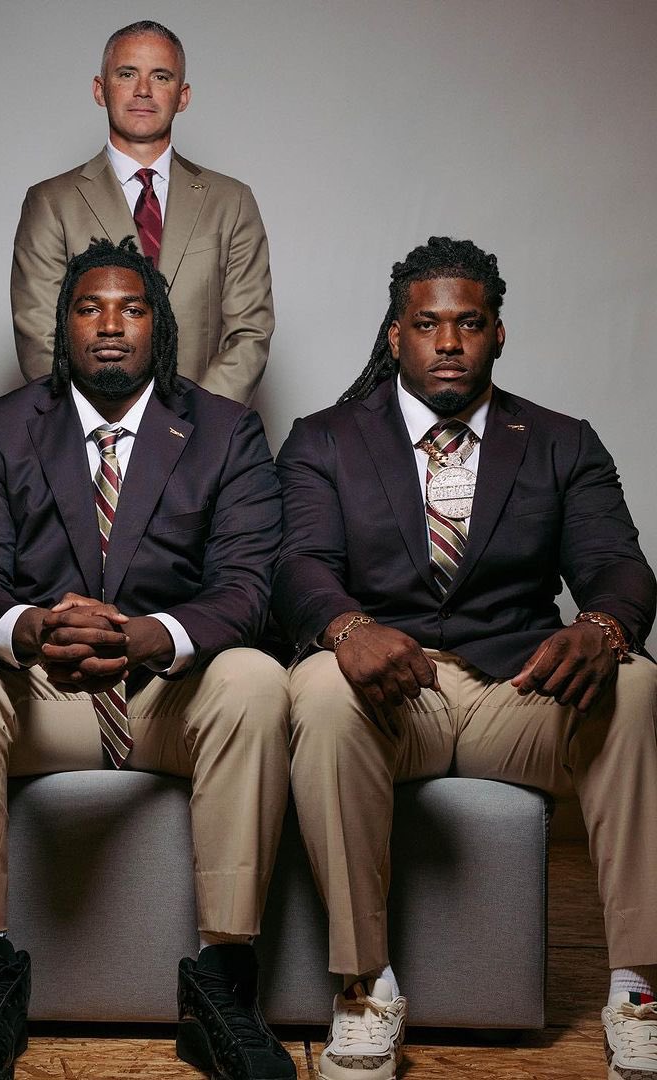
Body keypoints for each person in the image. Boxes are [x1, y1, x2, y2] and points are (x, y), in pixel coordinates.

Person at [273, 236, 657, 1080]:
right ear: (395, 335)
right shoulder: (325, 439)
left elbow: (618, 564)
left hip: (518, 692)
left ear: (498, 333)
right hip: (391, 696)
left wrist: (602, 625)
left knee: (634, 684)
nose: (448, 342)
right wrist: (347, 628)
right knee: (321, 691)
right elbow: (297, 564)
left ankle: (638, 990)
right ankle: (364, 988)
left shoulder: (559, 441)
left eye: (470, 323)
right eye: (427, 324)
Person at [0, 237, 294, 1080]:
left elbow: (248, 587)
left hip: (167, 699)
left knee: (257, 678)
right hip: (42, 697)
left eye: (131, 308)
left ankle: (224, 982)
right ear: (64, 326)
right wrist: (37, 627)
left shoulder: (227, 431)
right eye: (90, 308)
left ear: (160, 325)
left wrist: (149, 635)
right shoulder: (2, 427)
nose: (111, 325)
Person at [11, 20, 273, 406]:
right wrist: (99, 422)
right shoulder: (51, 202)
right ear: (100, 89)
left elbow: (250, 333)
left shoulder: (231, 201)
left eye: (161, 76)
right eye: (127, 74)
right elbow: (40, 337)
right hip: (92, 426)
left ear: (182, 96)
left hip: (199, 426)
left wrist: (198, 421)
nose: (143, 90)